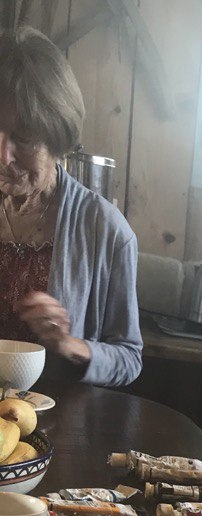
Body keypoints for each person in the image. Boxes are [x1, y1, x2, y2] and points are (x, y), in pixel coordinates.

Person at [0, 25, 141, 387]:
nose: (3, 156)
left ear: (58, 137)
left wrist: (68, 344)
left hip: (53, 415)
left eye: (22, 138)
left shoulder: (105, 229)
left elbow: (128, 357)